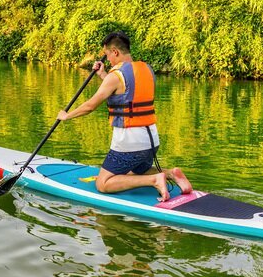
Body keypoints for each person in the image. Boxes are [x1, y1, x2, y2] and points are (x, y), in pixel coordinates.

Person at [57, 31, 192, 201]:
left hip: (129, 143)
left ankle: (155, 179)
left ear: (115, 52)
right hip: (151, 142)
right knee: (134, 171)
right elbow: (126, 92)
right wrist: (103, 75)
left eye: (107, 54)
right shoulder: (146, 69)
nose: (108, 59)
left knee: (102, 183)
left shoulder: (115, 76)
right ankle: (171, 174)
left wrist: (66, 116)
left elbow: (90, 106)